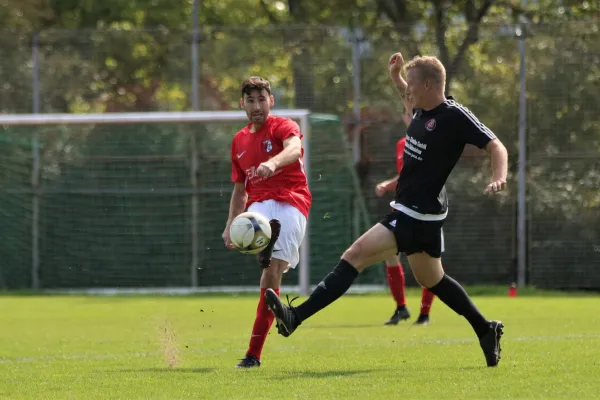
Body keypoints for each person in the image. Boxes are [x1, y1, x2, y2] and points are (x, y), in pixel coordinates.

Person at [265, 53, 508, 367]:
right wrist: (396, 78)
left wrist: (499, 176)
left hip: (416, 214)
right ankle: (486, 329)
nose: (408, 93)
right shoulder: (421, 108)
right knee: (433, 280)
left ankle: (295, 316)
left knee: (354, 255)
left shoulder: (454, 115)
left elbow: (495, 145)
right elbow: (408, 97)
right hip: (421, 213)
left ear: (430, 85)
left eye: (412, 85)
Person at [222, 76, 311, 368]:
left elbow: (295, 149)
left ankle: (267, 249)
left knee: (274, 270)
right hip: (258, 206)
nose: (257, 106)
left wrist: (273, 163)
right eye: (251, 101)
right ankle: (253, 355)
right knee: (271, 270)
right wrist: (229, 224)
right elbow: (239, 190)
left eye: (262, 100)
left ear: (271, 101)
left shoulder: (284, 126)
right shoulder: (238, 141)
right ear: (242, 104)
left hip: (291, 200)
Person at [375, 112, 436, 326]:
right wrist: (389, 185)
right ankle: (401, 308)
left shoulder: (433, 138)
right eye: (407, 112)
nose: (410, 116)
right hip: (402, 207)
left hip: (426, 209)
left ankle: (425, 314)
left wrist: (388, 184)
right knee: (388, 254)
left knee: (429, 263)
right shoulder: (402, 144)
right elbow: (405, 174)